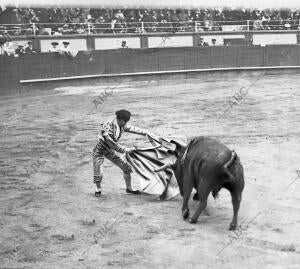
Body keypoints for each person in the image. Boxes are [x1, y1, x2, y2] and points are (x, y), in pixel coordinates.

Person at [92, 109, 162, 197]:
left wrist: (147, 133)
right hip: (100, 150)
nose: (126, 124)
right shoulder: (107, 127)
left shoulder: (120, 124)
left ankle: (129, 189)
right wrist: (125, 149)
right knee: (99, 172)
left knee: (126, 167)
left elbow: (133, 129)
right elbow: (112, 144)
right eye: (125, 122)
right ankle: (98, 189)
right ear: (121, 120)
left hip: (110, 150)